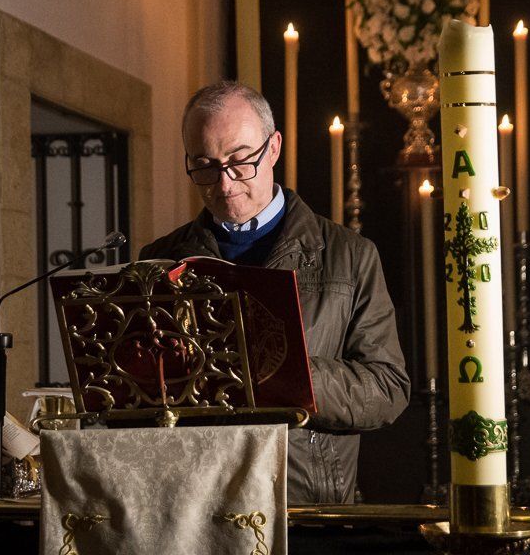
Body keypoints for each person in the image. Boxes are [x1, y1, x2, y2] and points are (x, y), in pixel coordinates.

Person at [139, 80, 409, 504]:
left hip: (303, 505)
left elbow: (388, 390)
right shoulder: (159, 259)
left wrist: (288, 372)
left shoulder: (350, 256)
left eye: (240, 161)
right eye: (205, 166)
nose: (224, 184)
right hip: (195, 502)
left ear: (274, 148)